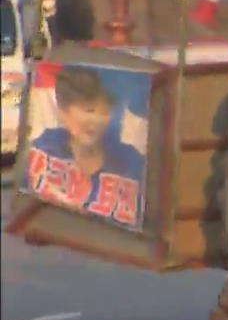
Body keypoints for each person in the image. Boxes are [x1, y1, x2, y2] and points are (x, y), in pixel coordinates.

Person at [28, 66, 145, 222]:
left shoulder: (131, 162)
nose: (96, 120)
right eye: (89, 110)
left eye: (104, 112)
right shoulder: (44, 148)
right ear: (64, 113)